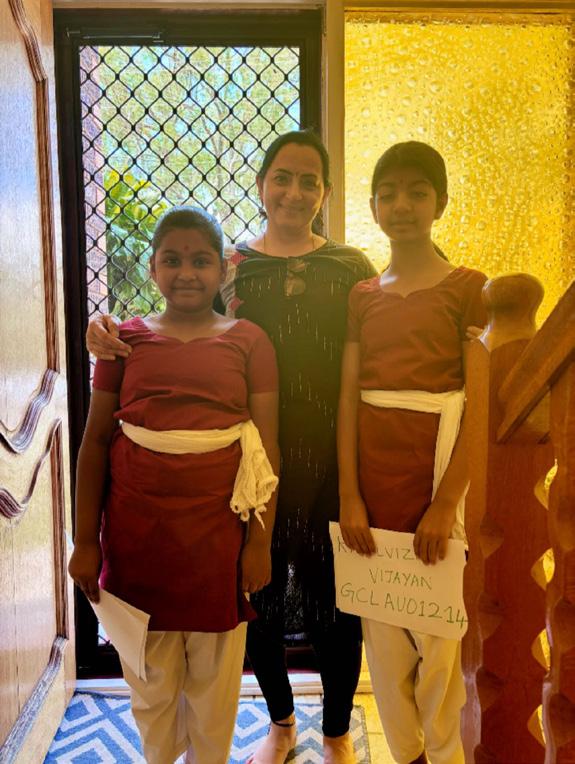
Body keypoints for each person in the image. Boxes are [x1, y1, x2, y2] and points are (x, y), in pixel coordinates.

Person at [86, 130, 377, 764]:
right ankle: (280, 723)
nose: (294, 191)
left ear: (325, 192)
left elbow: (386, 331)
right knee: (257, 600)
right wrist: (101, 326)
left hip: (333, 459)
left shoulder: (352, 267)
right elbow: (176, 321)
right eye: (282, 177)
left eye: (308, 180)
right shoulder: (233, 264)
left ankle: (335, 731)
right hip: (244, 469)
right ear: (261, 185)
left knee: (336, 602)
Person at [69, 206, 280, 764]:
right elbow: (95, 442)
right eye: (172, 260)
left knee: (215, 682)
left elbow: (266, 450)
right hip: (138, 536)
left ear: (224, 268)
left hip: (219, 536)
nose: (187, 273)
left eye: (201, 261)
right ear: (153, 267)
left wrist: (259, 542)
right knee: (150, 678)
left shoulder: (250, 341)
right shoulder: (123, 342)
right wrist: (86, 541)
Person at [337, 141, 487, 764]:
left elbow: (478, 404)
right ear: (373, 206)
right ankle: (406, 756)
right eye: (389, 194)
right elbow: (349, 400)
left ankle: (446, 755)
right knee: (384, 641)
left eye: (417, 192)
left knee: (439, 645)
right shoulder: (363, 294)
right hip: (375, 484)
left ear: (440, 203)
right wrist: (350, 495)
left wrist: (445, 502)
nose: (402, 205)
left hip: (436, 475)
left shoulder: (470, 288)